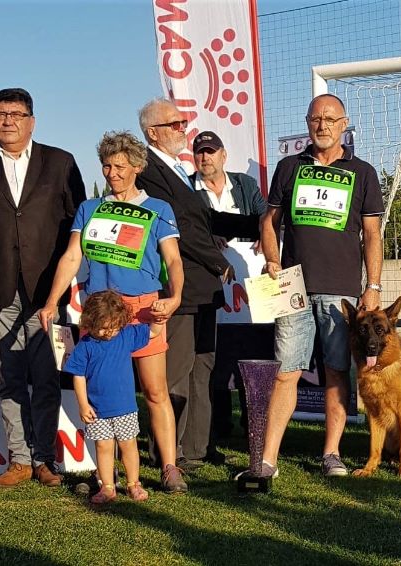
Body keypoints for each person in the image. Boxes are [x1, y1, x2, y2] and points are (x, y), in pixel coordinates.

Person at [0, 88, 86, 488]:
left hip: (47, 290)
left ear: (32, 119)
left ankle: (46, 457)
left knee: (45, 374)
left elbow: (75, 222)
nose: (7, 120)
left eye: (16, 113)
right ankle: (20, 459)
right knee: (9, 376)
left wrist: (52, 272)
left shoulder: (60, 162)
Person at [39, 130, 186, 492]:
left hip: (143, 307)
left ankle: (169, 466)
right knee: (101, 390)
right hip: (100, 311)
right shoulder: (91, 208)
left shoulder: (158, 210)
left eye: (120, 166)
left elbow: (174, 260)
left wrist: (175, 296)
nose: (112, 173)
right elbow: (72, 256)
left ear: (137, 167)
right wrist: (51, 300)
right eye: (106, 165)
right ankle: (107, 472)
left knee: (154, 391)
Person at [257, 93, 384, 478]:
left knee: (335, 372)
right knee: (286, 372)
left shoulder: (363, 172)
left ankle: (331, 454)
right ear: (307, 122)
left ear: (344, 124)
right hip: (292, 286)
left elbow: (373, 233)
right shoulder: (288, 167)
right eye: (316, 118)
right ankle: (267, 460)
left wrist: (373, 284)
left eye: (330, 119)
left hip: (342, 289)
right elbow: (269, 222)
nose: (322, 125)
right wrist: (272, 259)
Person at [135, 99, 257, 473]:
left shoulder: (176, 169)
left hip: (203, 290)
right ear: (153, 131)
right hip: (180, 289)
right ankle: (169, 452)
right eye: (176, 124)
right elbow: (183, 229)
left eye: (183, 122)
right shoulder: (149, 169)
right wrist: (218, 260)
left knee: (203, 369)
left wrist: (263, 224)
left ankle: (199, 446)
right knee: (177, 372)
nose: (183, 130)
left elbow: (205, 217)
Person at [189, 130, 270, 451]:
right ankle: (217, 425)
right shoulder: (188, 191)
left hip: (253, 294)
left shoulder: (246, 186)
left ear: (223, 155)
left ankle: (256, 427)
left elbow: (266, 216)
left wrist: (267, 235)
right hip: (212, 293)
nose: (205, 157)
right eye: (199, 152)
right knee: (213, 359)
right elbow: (185, 230)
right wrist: (208, 242)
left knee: (256, 357)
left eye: (211, 151)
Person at [65, 290, 169, 504]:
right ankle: (107, 486)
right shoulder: (85, 345)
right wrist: (83, 405)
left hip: (125, 408)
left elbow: (152, 333)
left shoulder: (126, 335)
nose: (108, 332)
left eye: (112, 327)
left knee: (128, 446)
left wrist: (158, 318)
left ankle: (133, 483)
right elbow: (78, 376)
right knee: (103, 447)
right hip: (97, 411)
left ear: (120, 322)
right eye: (102, 328)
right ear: (90, 322)